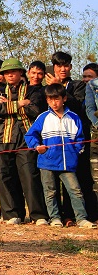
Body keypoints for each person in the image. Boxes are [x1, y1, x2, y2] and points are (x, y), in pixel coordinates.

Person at [25, 84, 96, 228]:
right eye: (50, 100)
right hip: (47, 162)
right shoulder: (43, 117)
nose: (54, 103)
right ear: (47, 100)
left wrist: (75, 151)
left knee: (75, 190)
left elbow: (80, 139)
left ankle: (81, 218)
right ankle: (55, 218)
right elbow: (30, 135)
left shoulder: (74, 118)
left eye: (56, 99)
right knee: (50, 192)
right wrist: (37, 146)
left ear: (64, 98)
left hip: (68, 163)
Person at [0, 58, 48, 225]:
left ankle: (38, 215)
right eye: (6, 72)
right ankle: (11, 215)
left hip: (26, 138)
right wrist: (21, 104)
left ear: (20, 73)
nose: (10, 75)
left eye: (13, 71)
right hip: (4, 138)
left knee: (30, 176)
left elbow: (35, 110)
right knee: (5, 177)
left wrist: (10, 105)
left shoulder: (34, 91)